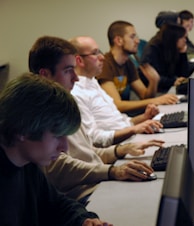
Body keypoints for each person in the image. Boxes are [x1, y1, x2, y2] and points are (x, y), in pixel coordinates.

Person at [28, 35, 164, 204]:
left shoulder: (64, 103)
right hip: (86, 194)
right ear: (45, 75)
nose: (75, 78)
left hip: (100, 182)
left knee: (159, 189)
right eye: (67, 70)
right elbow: (59, 168)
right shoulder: (40, 113)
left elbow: (87, 152)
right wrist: (112, 171)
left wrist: (122, 150)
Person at [0, 73, 112, 226]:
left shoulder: (27, 163)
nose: (64, 148)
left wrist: (83, 220)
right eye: (57, 136)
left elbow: (56, 204)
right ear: (23, 131)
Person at [69, 35, 163, 146]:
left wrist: (144, 118)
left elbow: (120, 123)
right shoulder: (76, 93)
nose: (102, 57)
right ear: (79, 60)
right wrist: (133, 130)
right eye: (95, 53)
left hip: (127, 140)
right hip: (116, 149)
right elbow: (94, 138)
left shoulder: (92, 82)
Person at [96, 20, 178, 115]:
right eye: (132, 37)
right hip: (111, 119)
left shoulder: (128, 63)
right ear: (119, 40)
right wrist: (155, 100)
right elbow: (117, 105)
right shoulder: (105, 64)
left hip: (124, 116)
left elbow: (144, 96)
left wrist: (154, 81)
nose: (137, 41)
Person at [140, 23, 189, 93]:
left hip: (166, 87)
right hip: (154, 90)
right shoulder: (153, 50)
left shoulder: (172, 49)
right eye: (183, 37)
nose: (185, 40)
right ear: (174, 38)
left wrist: (183, 54)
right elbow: (155, 76)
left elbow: (184, 76)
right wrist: (173, 81)